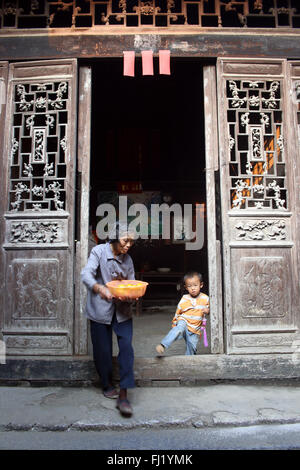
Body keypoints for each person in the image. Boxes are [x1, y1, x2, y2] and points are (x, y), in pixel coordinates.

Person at [81, 222, 136, 417]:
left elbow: (131, 283)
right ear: (114, 238)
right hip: (100, 309)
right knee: (102, 350)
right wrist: (100, 288)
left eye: (131, 241)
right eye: (125, 240)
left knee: (127, 347)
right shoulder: (98, 251)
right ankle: (106, 383)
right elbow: (86, 274)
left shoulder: (127, 259)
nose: (128, 245)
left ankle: (124, 393)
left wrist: (129, 295)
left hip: (122, 310)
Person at [156, 271, 209, 356]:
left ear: (201, 285)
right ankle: (163, 345)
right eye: (189, 286)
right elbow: (178, 311)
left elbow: (211, 311)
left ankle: (188, 362)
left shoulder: (205, 298)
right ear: (186, 287)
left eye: (195, 285)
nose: (193, 288)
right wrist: (174, 325)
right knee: (179, 329)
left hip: (195, 329)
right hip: (184, 321)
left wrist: (208, 310)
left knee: (192, 348)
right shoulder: (184, 298)